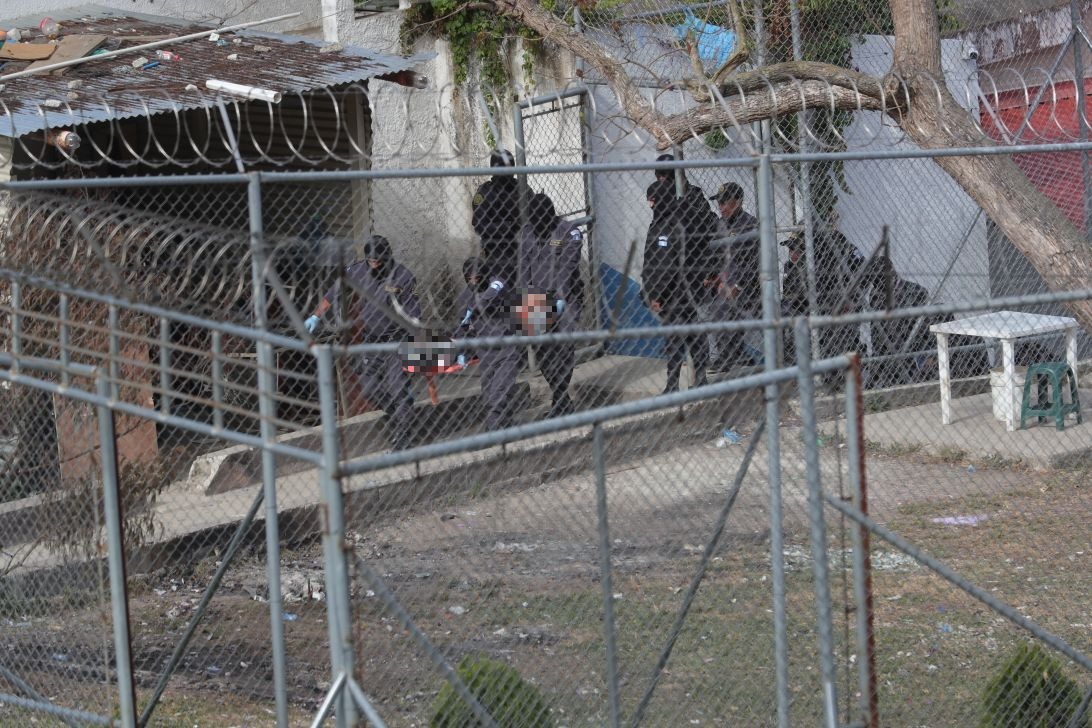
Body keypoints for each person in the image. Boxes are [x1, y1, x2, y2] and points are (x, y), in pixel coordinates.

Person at [304, 235, 419, 450]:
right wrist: (316, 316)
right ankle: (401, 415)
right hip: (372, 341)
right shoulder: (358, 270)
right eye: (370, 260)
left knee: (398, 387)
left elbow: (414, 315)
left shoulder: (403, 277)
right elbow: (333, 293)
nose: (374, 263)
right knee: (370, 389)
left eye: (378, 260)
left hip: (397, 341)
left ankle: (404, 435)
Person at [519, 192, 585, 418]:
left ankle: (560, 399)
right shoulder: (527, 234)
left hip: (566, 299)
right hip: (536, 301)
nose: (538, 229)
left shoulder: (569, 232)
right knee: (543, 352)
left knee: (564, 350)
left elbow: (567, 269)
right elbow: (523, 272)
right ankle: (561, 397)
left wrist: (557, 299)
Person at [642, 179, 709, 393]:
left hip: (675, 292)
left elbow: (666, 263)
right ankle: (700, 380)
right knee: (691, 335)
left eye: (652, 199)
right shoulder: (666, 220)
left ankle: (673, 385)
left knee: (676, 338)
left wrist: (657, 295)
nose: (650, 204)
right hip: (683, 289)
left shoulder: (668, 224)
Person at [453, 257, 526, 431]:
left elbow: (491, 294)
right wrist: (462, 351)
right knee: (489, 398)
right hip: (486, 354)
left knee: (498, 395)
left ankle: (493, 434)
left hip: (507, 350)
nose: (473, 282)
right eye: (469, 279)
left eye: (477, 278)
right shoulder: (465, 296)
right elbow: (461, 328)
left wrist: (475, 308)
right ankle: (505, 428)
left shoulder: (497, 283)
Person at [706, 182, 761, 370]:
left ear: (738, 202)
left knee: (719, 311)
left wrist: (737, 286)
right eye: (719, 204)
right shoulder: (720, 224)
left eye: (725, 203)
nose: (721, 208)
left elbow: (752, 262)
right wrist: (713, 277)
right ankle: (738, 354)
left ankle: (728, 357)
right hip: (724, 284)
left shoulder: (749, 224)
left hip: (746, 286)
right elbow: (716, 256)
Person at [471, 148, 522, 284]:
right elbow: (479, 225)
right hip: (498, 252)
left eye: (511, 166)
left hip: (523, 249)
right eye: (506, 167)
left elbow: (535, 211)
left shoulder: (520, 188)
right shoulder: (485, 192)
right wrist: (508, 227)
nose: (510, 171)